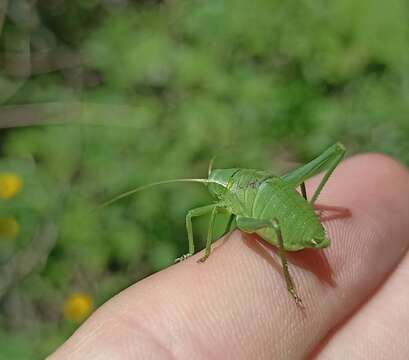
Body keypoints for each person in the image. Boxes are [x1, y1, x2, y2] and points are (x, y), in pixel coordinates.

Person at [49, 154, 409, 359]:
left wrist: (202, 251)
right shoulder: (237, 183)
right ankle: (300, 219)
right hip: (273, 195)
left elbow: (199, 217)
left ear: (219, 186)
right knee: (272, 198)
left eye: (212, 187)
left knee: (205, 216)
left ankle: (285, 280)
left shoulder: (231, 202)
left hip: (284, 222)